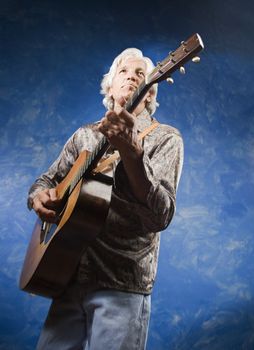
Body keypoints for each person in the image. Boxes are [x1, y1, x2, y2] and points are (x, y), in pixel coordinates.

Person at [28, 48, 184, 350]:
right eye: (123, 72)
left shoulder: (165, 138)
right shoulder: (84, 136)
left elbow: (159, 216)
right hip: (67, 273)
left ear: (151, 93)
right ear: (110, 87)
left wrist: (133, 152)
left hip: (122, 283)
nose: (131, 77)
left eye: (140, 74)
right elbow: (45, 181)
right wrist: (38, 196)